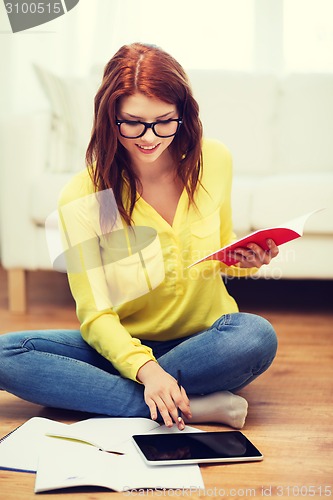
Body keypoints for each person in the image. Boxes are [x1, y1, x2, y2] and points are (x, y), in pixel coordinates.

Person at [0, 43, 279, 431]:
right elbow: (96, 315)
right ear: (109, 117)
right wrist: (147, 370)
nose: (148, 137)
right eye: (132, 122)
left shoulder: (215, 162)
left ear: (184, 115)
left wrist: (244, 260)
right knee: (7, 354)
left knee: (255, 337)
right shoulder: (84, 197)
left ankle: (119, 395)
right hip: (127, 347)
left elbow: (218, 251)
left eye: (164, 121)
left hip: (207, 343)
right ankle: (191, 407)